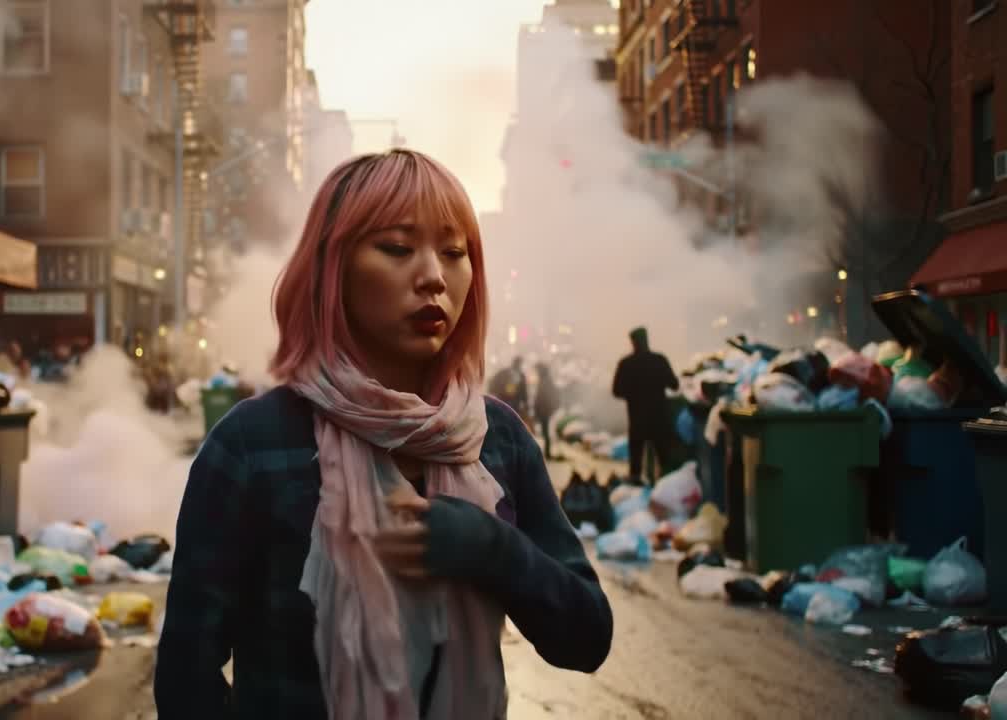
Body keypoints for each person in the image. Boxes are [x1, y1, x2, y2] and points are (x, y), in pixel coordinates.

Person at [156, 149, 612, 720]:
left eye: (454, 253)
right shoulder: (252, 445)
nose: (433, 277)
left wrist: (493, 549)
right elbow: (185, 676)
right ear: (332, 268)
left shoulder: (498, 440)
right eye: (397, 248)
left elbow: (588, 638)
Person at [612, 326, 679, 483]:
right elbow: (674, 384)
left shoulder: (626, 364)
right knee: (664, 461)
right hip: (659, 418)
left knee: (636, 465)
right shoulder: (659, 360)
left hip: (637, 420)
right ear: (647, 340)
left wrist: (632, 394)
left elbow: (616, 391)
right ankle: (665, 491)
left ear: (633, 342)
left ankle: (637, 494)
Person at [534, 362, 561, 460]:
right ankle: (547, 452)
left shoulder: (546, 382)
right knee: (544, 432)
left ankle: (547, 452)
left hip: (544, 411)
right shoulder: (545, 381)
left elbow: (543, 397)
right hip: (544, 411)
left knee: (545, 432)